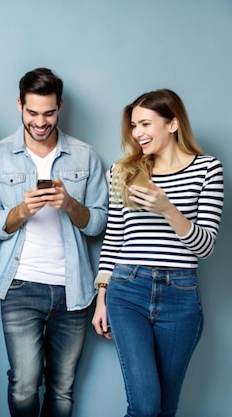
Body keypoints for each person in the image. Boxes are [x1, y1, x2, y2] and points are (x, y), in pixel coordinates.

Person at [0, 67, 108, 417]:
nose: (40, 121)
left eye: (49, 112)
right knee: (23, 384)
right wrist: (22, 209)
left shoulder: (85, 156)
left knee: (62, 388)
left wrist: (69, 204)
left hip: (74, 289)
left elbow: (98, 224)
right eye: (32, 112)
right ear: (19, 105)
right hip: (20, 286)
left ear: (60, 106)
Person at [91, 89, 224, 417]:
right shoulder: (121, 171)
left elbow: (205, 246)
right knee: (145, 406)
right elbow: (114, 239)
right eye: (134, 126)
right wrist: (101, 298)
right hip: (127, 290)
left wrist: (168, 209)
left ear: (173, 123)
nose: (137, 133)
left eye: (145, 124)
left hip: (180, 295)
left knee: (165, 408)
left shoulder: (208, 170)